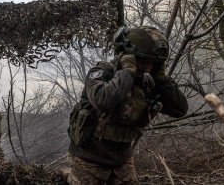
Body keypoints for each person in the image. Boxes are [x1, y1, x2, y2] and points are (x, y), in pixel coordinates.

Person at [67, 26, 188, 184]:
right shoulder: (102, 73)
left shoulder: (146, 83)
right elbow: (104, 99)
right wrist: (127, 72)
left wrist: (161, 79)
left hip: (121, 161)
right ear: (129, 57)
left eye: (153, 64)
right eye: (144, 62)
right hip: (89, 160)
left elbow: (180, 109)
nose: (148, 68)